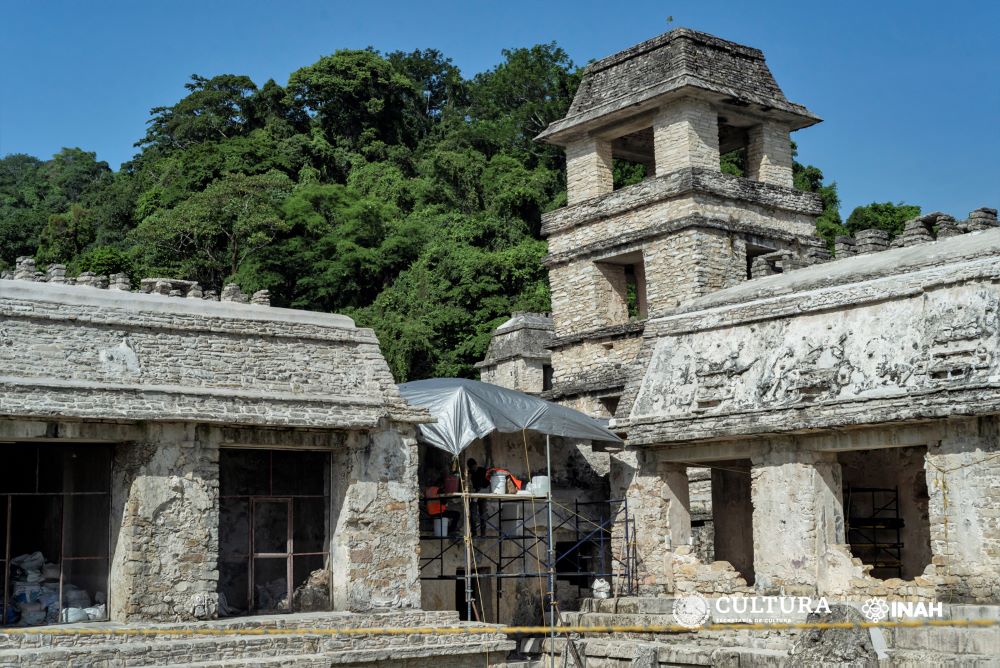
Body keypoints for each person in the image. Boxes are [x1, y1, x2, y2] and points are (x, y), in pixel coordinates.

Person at [467, 459, 489, 536]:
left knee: (483, 513)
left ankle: (483, 533)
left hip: (483, 493)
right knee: (473, 514)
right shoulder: (470, 473)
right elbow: (468, 484)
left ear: (476, 464)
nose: (474, 468)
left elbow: (487, 483)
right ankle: (474, 532)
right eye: (472, 467)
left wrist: (481, 490)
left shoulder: (483, 471)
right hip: (474, 494)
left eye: (475, 466)